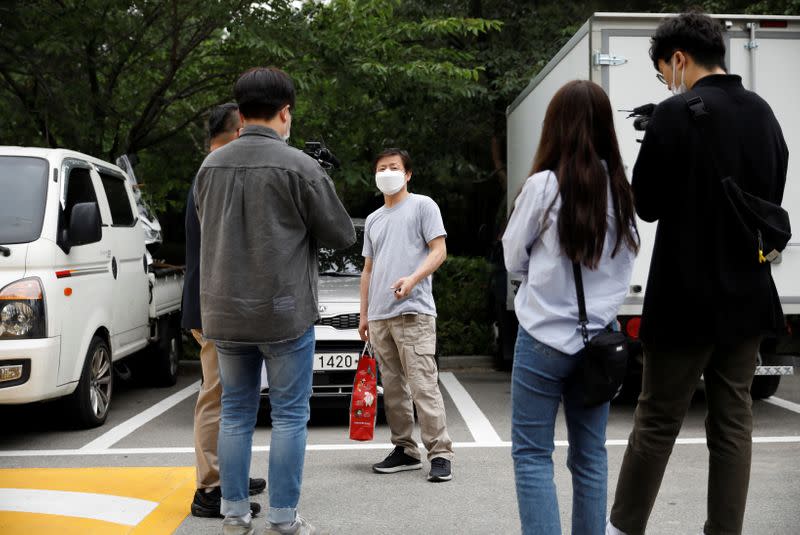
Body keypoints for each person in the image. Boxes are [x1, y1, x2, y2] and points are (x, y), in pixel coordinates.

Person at [606, 12, 788, 535]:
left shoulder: (673, 114)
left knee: (659, 417)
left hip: (685, 296)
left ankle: (624, 527)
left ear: (679, 59)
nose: (667, 83)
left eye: (665, 72)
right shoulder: (764, 113)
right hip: (748, 295)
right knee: (733, 420)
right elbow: (768, 198)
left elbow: (648, 206)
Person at [194, 67, 355, 535]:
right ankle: (284, 517)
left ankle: (234, 513)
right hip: (284, 311)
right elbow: (342, 233)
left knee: (237, 412)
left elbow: (209, 227)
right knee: (288, 416)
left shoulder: (209, 167)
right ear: (285, 113)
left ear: (240, 114)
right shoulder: (299, 166)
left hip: (224, 311)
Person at [502, 80, 639, 535]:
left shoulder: (544, 185)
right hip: (599, 342)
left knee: (532, 454)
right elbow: (625, 266)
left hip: (541, 337)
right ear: (605, 127)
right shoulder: (619, 187)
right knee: (590, 455)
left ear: (554, 126)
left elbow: (512, 256)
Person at [182, 102, 265, 519]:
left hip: (212, 301)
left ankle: (230, 471)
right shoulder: (215, 173)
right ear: (238, 133)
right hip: (212, 304)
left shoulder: (209, 170)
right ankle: (209, 489)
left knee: (233, 395)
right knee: (217, 396)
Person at [357, 148, 454, 482]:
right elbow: (368, 270)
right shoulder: (373, 219)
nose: (387, 172)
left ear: (408, 174)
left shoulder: (423, 205)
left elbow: (438, 251)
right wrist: (365, 315)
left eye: (394, 167)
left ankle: (439, 452)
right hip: (381, 316)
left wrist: (412, 280)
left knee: (423, 384)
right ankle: (405, 449)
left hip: (413, 311)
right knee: (394, 388)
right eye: (381, 168)